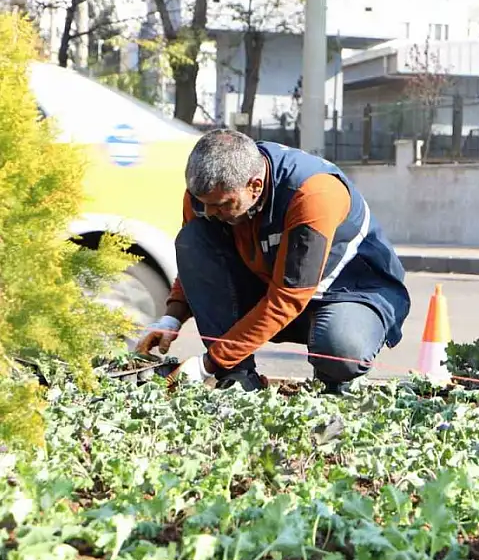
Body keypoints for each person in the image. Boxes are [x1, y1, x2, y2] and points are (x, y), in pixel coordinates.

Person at [132, 129, 411, 393]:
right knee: (194, 236)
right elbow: (198, 259)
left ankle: (330, 385)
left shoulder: (313, 193)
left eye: (221, 205)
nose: (209, 211)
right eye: (202, 202)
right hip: (276, 289)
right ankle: (238, 378)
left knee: (341, 349)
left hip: (350, 292)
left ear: (254, 185)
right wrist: (173, 316)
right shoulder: (209, 196)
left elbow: (288, 297)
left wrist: (208, 365)